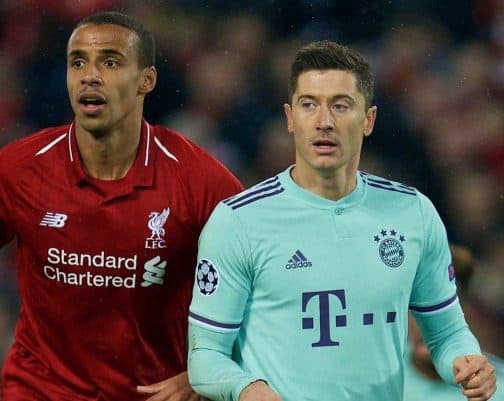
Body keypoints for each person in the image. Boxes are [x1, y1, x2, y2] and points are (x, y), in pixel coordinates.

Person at [0, 11, 243, 401]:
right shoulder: (17, 171)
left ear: (146, 80)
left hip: (151, 392)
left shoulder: (202, 183)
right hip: (38, 391)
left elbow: (261, 291)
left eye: (110, 62)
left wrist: (204, 373)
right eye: (77, 62)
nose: (89, 75)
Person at [187, 41, 497, 401]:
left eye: (341, 105)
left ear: (368, 120)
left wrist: (469, 364)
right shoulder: (238, 221)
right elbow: (206, 356)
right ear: (290, 118)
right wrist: (247, 388)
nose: (324, 122)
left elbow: (446, 334)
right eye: (309, 105)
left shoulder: (412, 213)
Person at [405, 245, 504, 401]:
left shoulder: (499, 391)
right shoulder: (374, 373)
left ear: (469, 314)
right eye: (419, 308)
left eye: (442, 311)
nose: (428, 325)